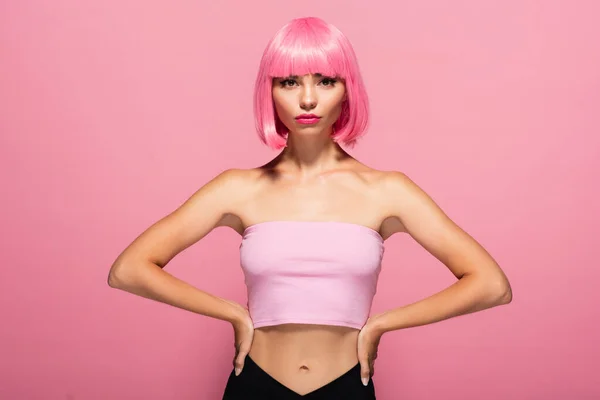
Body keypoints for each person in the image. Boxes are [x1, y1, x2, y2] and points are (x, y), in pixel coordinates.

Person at [107, 16, 512, 399]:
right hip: (255, 386)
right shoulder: (236, 188)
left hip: (348, 386)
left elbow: (490, 284)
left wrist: (384, 323)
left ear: (347, 88)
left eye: (325, 81)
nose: (307, 98)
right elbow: (129, 269)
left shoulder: (387, 191)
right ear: (270, 92)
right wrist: (232, 312)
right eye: (288, 82)